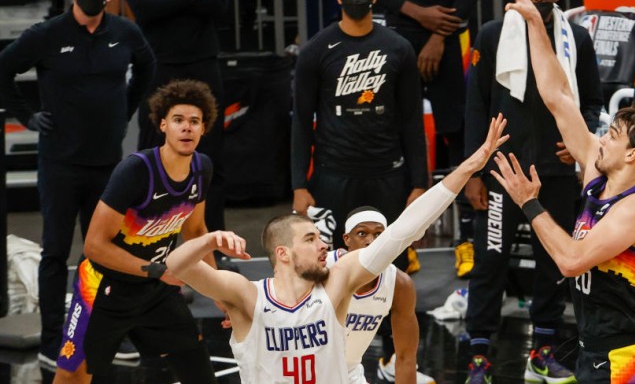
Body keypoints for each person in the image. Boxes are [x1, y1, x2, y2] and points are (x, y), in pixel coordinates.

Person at [165, 115, 509, 383]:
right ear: (283, 253)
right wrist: (208, 240)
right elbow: (178, 264)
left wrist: (467, 167)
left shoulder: (337, 282)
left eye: (321, 237)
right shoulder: (248, 295)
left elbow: (405, 230)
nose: (323, 244)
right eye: (311, 239)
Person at [486, 0, 635, 383]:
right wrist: (538, 23)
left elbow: (571, 261)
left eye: (612, 135)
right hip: (593, 352)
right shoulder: (599, 172)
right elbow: (557, 96)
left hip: (627, 359)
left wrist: (529, 203)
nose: (601, 138)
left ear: (632, 156)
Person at [0, 0, 155, 368]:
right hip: (60, 164)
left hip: (107, 165)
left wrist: (126, 109)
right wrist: (26, 115)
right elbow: (4, 68)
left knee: (106, 253)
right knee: (54, 252)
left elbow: (147, 68)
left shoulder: (124, 32)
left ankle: (105, 334)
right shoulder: (47, 34)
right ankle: (53, 342)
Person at [463, 0, 603, 383]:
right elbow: (475, 105)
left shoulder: (576, 38)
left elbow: (593, 101)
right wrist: (473, 171)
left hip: (555, 174)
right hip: (501, 170)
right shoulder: (491, 35)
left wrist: (579, 146)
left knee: (554, 262)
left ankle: (543, 350)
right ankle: (479, 355)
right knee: (489, 263)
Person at [52, 80, 220, 384]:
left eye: (194, 122)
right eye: (179, 121)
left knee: (199, 371)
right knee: (71, 375)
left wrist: (220, 291)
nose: (187, 128)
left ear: (204, 128)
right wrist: (157, 271)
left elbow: (196, 232)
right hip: (104, 286)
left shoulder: (201, 168)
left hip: (156, 288)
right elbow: (94, 246)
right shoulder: (136, 171)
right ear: (163, 125)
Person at [361, 0, 488, 275]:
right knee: (400, 136)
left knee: (460, 134)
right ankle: (402, 242)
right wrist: (417, 13)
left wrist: (439, 32)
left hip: (453, 32)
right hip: (400, 32)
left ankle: (468, 240)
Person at [291, 0, 428, 260]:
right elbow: (301, 121)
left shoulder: (399, 48)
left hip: (388, 174)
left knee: (392, 265)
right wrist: (299, 184)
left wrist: (420, 183)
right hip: (333, 175)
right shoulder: (315, 50)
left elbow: (411, 121)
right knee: (332, 265)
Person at [119, 0, 229, 232]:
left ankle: (212, 244)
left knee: (211, 156)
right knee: (150, 158)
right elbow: (142, 9)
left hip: (204, 60)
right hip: (158, 64)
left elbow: (220, 2)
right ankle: (142, 243)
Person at [326, 206, 435, 384]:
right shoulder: (324, 268)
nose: (371, 241)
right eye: (362, 234)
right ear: (347, 239)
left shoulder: (399, 283)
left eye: (378, 235)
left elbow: (406, 356)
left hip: (350, 374)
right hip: (307, 371)